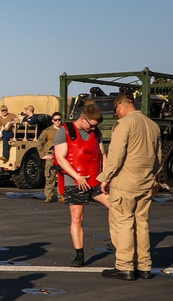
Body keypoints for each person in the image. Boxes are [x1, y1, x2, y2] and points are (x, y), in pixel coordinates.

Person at [97, 92, 162, 280]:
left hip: (125, 183)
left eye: (115, 110)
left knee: (123, 223)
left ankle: (125, 266)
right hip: (145, 182)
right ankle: (144, 266)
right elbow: (158, 159)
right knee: (142, 223)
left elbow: (116, 156)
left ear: (119, 106)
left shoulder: (124, 124)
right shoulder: (153, 125)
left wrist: (105, 178)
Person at [54, 101, 110, 267]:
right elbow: (61, 158)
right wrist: (77, 177)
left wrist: (105, 178)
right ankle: (79, 254)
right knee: (77, 217)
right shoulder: (65, 131)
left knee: (117, 208)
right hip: (75, 181)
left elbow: (103, 155)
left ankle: (118, 241)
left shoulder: (96, 132)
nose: (93, 129)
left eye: (95, 127)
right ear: (83, 119)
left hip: (96, 180)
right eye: (91, 125)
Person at [37, 112, 62, 202]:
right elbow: (40, 142)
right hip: (51, 155)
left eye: (59, 119)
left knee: (61, 176)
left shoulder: (64, 130)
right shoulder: (47, 131)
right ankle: (49, 195)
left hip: (63, 156)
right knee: (50, 176)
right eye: (55, 120)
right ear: (52, 121)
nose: (57, 121)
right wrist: (43, 155)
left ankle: (61, 195)